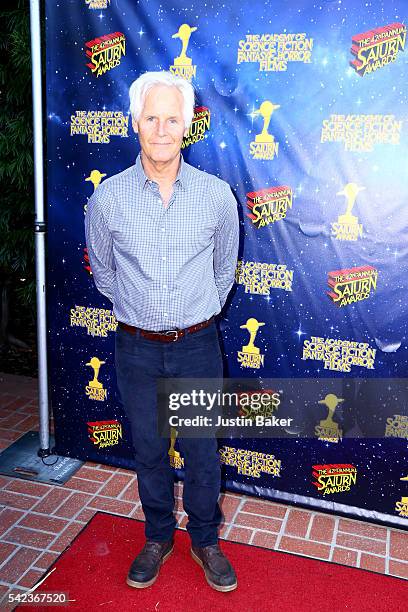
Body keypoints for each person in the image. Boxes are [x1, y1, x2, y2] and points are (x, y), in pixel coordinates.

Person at [84, 71, 239, 592]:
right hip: (136, 348)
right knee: (148, 449)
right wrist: (140, 311)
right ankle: (156, 536)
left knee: (200, 450)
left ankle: (205, 540)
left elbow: (224, 273)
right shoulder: (106, 200)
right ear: (135, 123)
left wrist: (198, 314)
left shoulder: (218, 197)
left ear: (188, 124)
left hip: (196, 346)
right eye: (151, 117)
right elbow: (104, 274)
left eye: (172, 118)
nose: (161, 128)